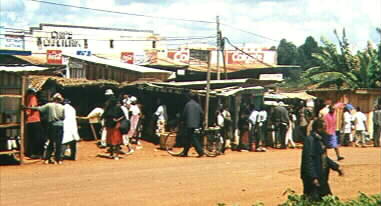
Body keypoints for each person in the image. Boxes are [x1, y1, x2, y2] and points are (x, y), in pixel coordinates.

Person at [300, 119, 344, 201]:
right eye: (324, 128)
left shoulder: (320, 140)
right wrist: (313, 177)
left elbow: (323, 157)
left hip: (321, 177)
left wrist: (336, 167)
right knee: (313, 200)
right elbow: (308, 160)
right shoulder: (310, 140)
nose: (326, 130)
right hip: (313, 178)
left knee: (328, 199)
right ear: (318, 129)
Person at [26, 93, 65, 164]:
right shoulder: (62, 107)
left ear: (53, 99)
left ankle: (47, 158)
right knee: (59, 143)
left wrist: (27, 108)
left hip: (52, 125)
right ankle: (58, 159)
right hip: (60, 126)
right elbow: (63, 117)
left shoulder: (49, 105)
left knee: (51, 142)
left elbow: (38, 108)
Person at [178, 93, 204, 157]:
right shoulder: (198, 105)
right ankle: (185, 152)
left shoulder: (188, 104)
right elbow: (202, 114)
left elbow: (184, 114)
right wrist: (200, 123)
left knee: (193, 138)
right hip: (196, 124)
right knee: (189, 138)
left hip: (189, 124)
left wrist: (181, 121)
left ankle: (200, 151)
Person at [25, 88, 45, 159]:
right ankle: (37, 153)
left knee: (31, 138)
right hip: (34, 120)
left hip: (29, 121)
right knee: (38, 138)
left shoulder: (26, 97)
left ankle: (32, 152)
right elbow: (32, 108)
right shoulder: (32, 97)